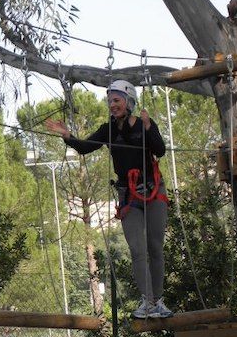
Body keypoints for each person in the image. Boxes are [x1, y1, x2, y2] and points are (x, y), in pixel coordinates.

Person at [46, 80, 173, 319]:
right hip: (128, 195)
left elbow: (160, 150)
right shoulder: (109, 130)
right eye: (110, 102)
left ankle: (159, 301)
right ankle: (148, 302)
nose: (112, 105)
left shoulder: (144, 125)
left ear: (129, 102)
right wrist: (67, 136)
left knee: (155, 247)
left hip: (154, 190)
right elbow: (86, 147)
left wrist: (148, 128)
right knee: (137, 249)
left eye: (116, 100)